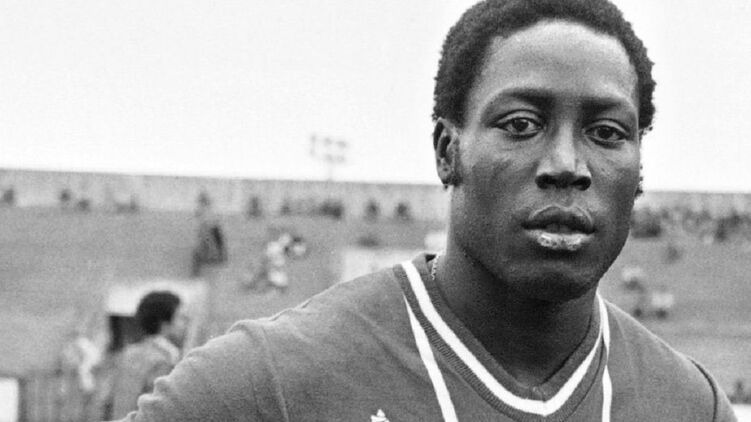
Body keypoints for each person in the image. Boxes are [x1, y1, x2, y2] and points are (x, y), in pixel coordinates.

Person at [114, 0, 736, 420]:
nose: (567, 164)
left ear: (639, 169)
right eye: (522, 124)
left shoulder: (690, 406)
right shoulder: (270, 382)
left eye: (606, 132)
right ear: (447, 150)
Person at [108, 291, 187, 419]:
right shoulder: (164, 361)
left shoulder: (126, 354)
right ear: (164, 322)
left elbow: (107, 401)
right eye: (181, 318)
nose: (185, 324)